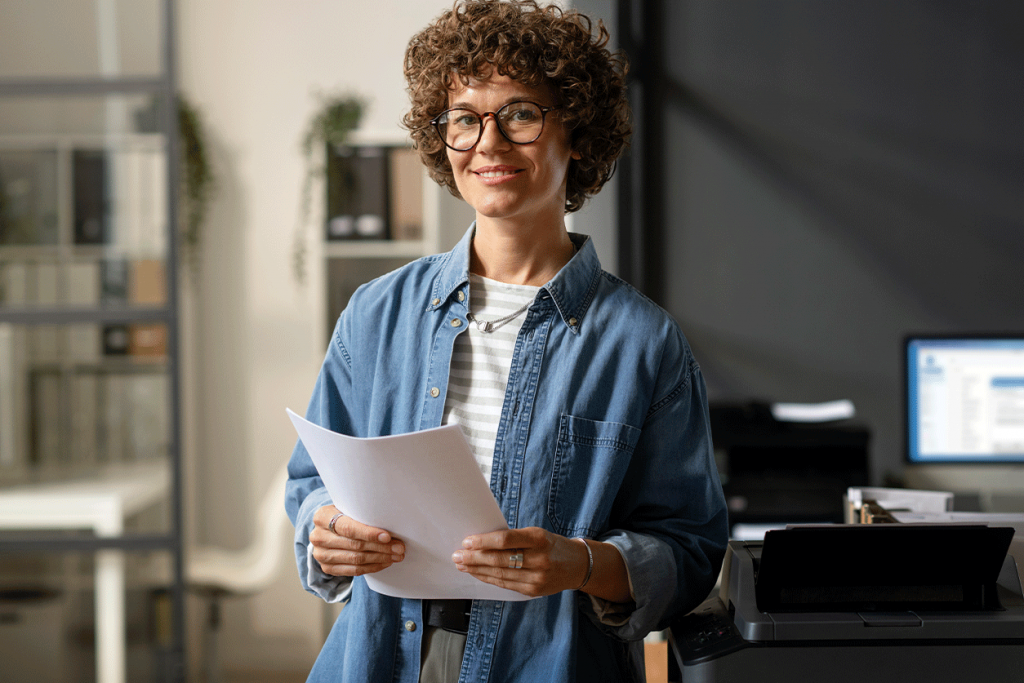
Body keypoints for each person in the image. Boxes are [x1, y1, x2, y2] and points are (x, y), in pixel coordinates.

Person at [285, 1, 728, 681]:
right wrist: (326, 529)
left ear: (576, 134)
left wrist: (580, 562)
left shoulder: (644, 343)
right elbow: (312, 482)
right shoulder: (375, 315)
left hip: (549, 663)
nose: (488, 144)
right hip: (380, 656)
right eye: (465, 119)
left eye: (520, 114)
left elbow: (690, 550)